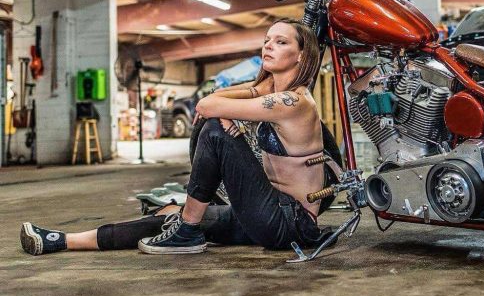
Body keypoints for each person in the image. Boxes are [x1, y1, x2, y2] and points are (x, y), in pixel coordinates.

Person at [20, 19, 337, 256]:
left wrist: (223, 111)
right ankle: (63, 240)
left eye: (281, 42)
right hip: (268, 211)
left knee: (213, 132)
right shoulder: (273, 92)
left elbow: (206, 104)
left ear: (301, 55)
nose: (268, 45)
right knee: (172, 213)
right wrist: (243, 97)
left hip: (289, 223)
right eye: (267, 39)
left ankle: (188, 231)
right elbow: (214, 98)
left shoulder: (294, 102)